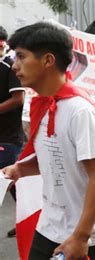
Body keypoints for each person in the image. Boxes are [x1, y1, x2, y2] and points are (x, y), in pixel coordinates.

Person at [2, 22, 95, 259]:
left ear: (48, 60)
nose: (15, 66)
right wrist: (20, 169)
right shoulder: (42, 104)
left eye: (22, 57)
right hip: (50, 226)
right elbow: (58, 158)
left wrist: (81, 237)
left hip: (87, 236)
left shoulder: (79, 111)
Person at [0, 25, 25, 238]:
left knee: (11, 183)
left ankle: (29, 220)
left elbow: (18, 99)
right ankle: (28, 220)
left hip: (9, 138)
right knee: (16, 186)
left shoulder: (10, 66)